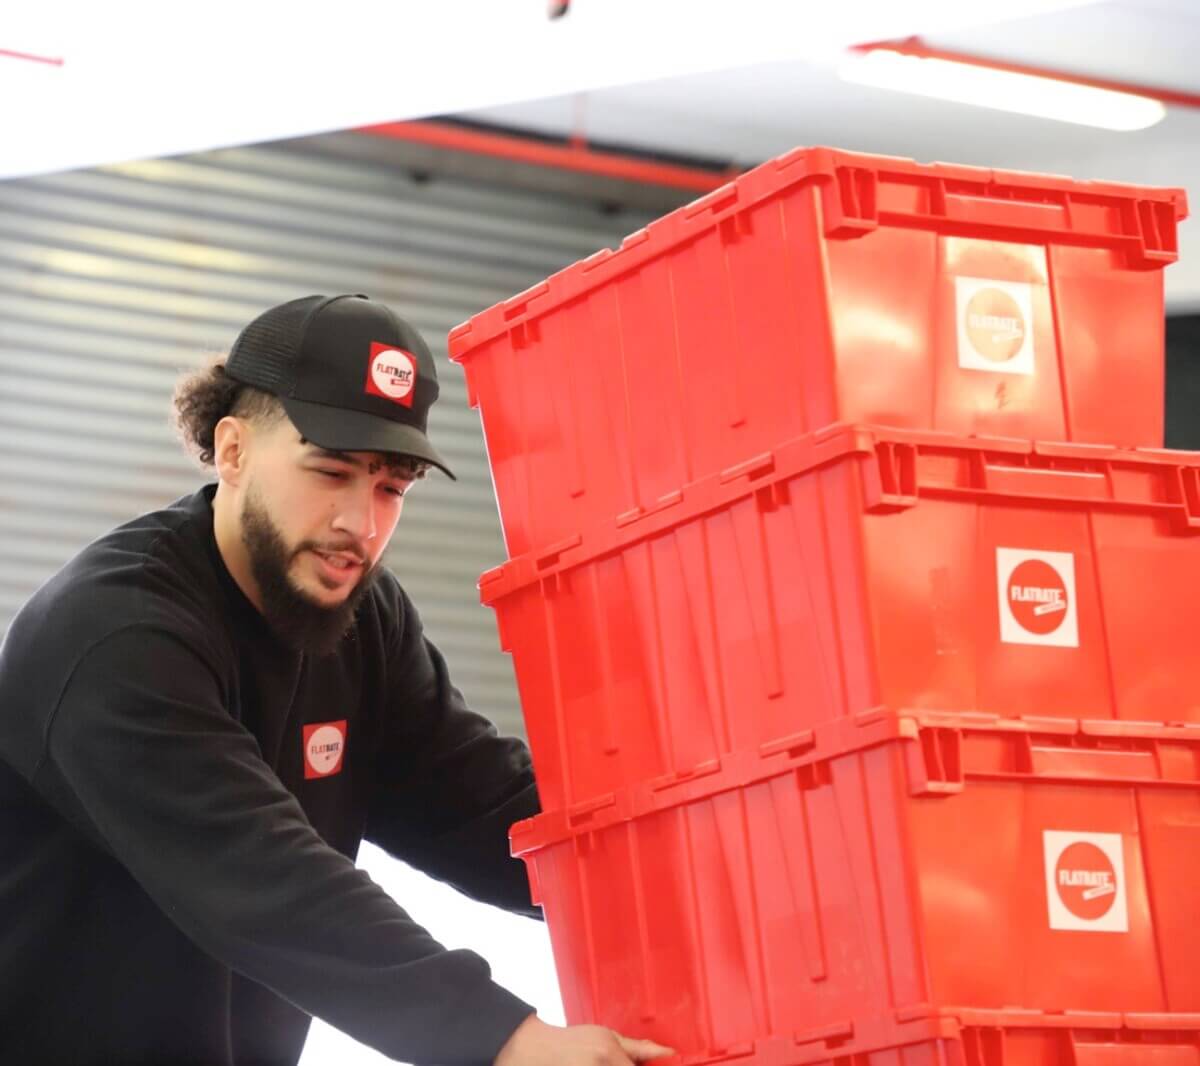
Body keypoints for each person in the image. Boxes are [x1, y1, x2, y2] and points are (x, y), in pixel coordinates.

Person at [0, 294, 674, 1066]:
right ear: (233, 450)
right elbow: (263, 878)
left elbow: (482, 804)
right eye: (331, 470)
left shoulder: (361, 619)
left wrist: (687, 883)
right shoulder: (114, 635)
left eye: (392, 487)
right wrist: (502, 1039)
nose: (362, 522)